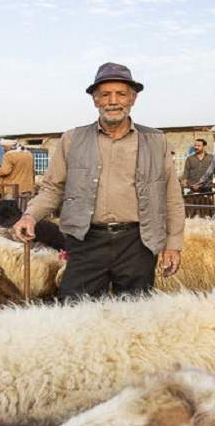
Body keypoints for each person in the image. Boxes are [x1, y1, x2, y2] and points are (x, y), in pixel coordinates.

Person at [13, 62, 185, 299]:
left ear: (132, 99)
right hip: (86, 240)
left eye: (121, 94)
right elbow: (53, 188)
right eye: (105, 94)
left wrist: (173, 244)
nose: (113, 101)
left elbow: (171, 196)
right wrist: (30, 216)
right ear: (95, 100)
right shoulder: (73, 139)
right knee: (76, 310)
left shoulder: (156, 141)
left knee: (136, 314)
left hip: (138, 242)